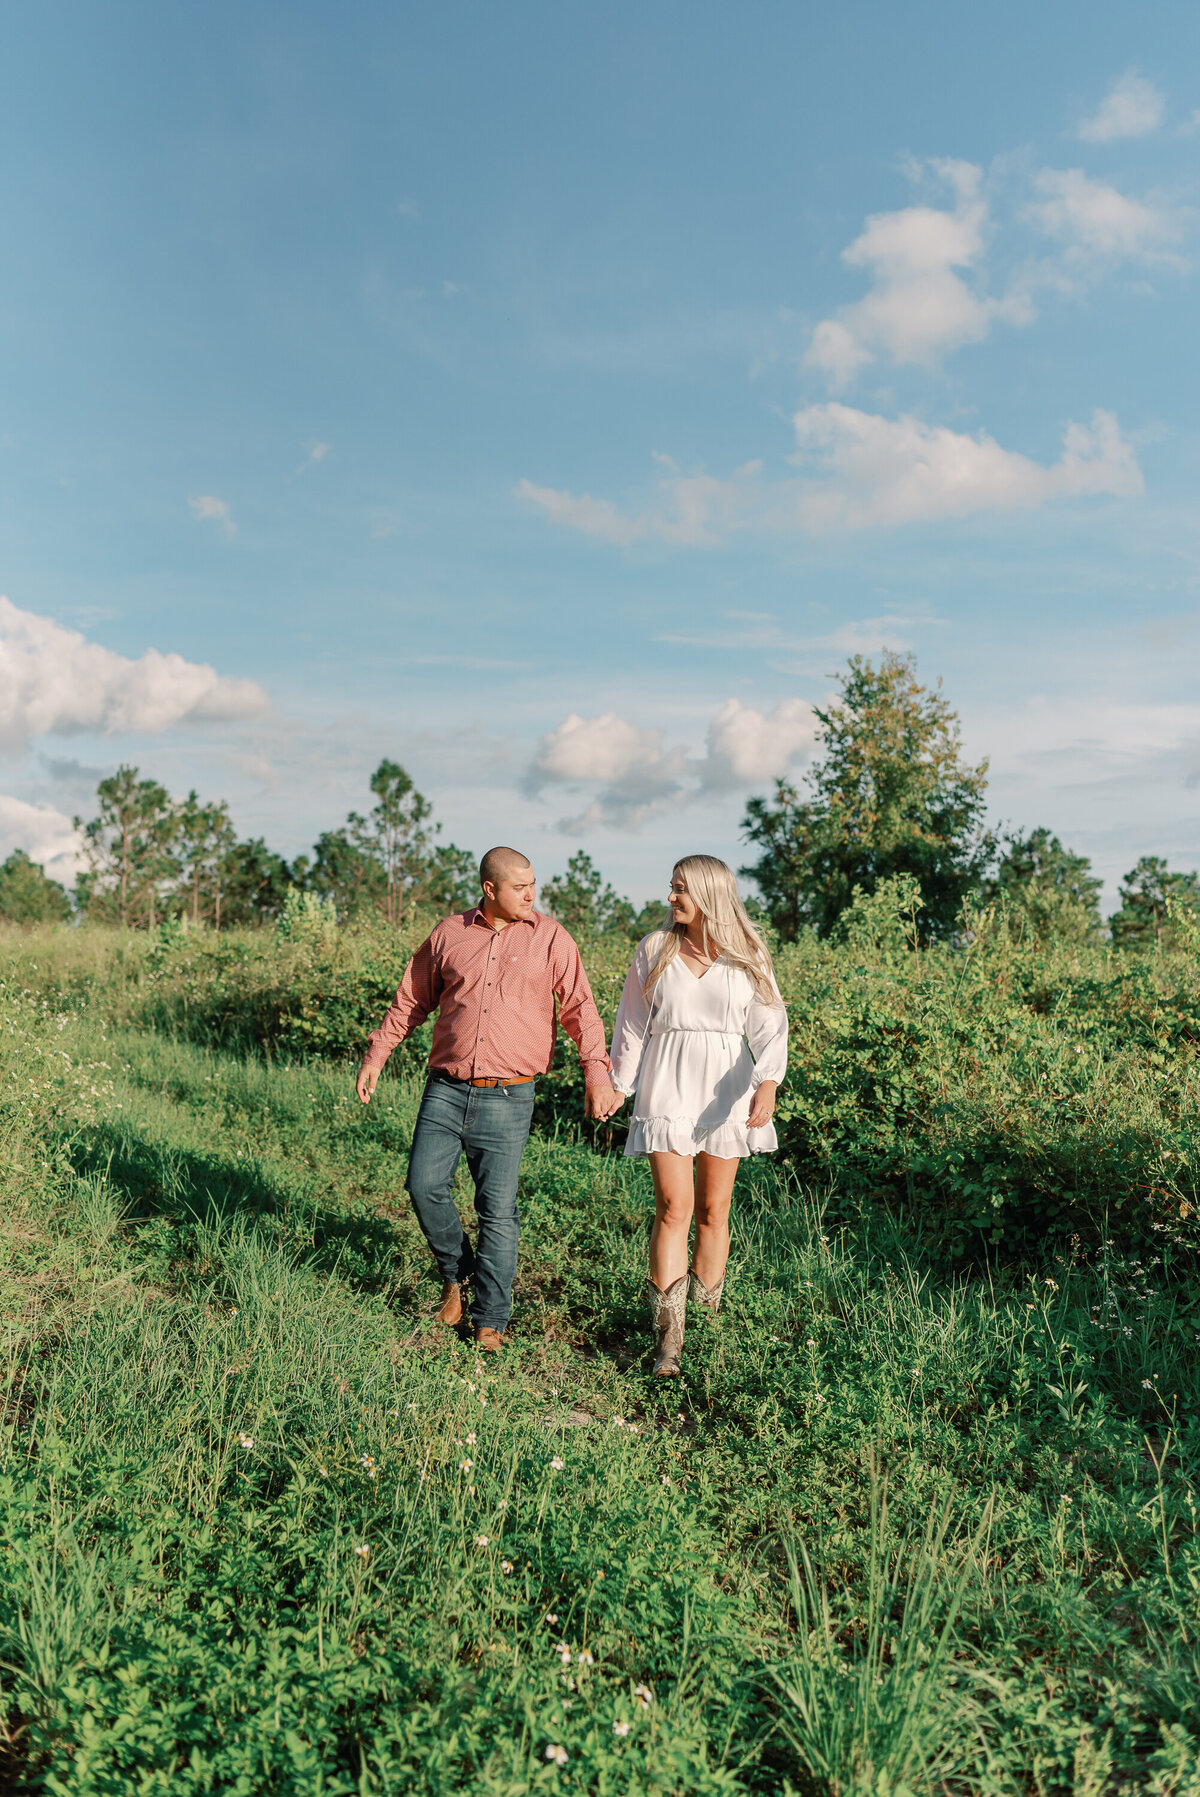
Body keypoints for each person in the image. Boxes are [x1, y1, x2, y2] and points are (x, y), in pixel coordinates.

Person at [356, 847, 623, 1352]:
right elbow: (412, 999)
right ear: (489, 889)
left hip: (509, 1096)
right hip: (446, 1087)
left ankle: (489, 1319)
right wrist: (377, 1054)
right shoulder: (449, 933)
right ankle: (457, 1279)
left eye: (534, 885)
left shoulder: (551, 939)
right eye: (520, 887)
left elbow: (581, 1010)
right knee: (422, 1184)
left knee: (496, 1209)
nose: (532, 895)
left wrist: (597, 1074)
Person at [608, 855, 788, 1376]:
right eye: (671, 887)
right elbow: (632, 1027)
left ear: (709, 894)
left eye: (680, 889)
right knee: (673, 1206)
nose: (671, 898)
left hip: (728, 1089)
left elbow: (770, 1027)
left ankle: (707, 1326)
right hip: (666, 1085)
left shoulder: (747, 954)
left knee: (714, 1209)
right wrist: (618, 1086)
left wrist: (768, 1084)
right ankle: (670, 1339)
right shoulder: (655, 950)